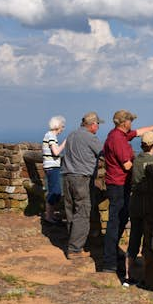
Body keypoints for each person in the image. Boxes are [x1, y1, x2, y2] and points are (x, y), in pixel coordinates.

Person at [101, 109, 153, 273]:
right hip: (118, 184)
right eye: (130, 121)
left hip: (117, 183)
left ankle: (113, 255)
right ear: (125, 122)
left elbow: (138, 133)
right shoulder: (118, 139)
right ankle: (109, 263)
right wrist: (142, 167)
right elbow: (127, 165)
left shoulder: (119, 134)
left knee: (121, 219)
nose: (132, 123)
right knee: (115, 222)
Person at [60, 111, 104, 260]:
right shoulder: (90, 138)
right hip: (82, 178)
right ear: (92, 125)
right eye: (97, 124)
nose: (98, 127)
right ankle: (74, 249)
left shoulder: (72, 134)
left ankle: (71, 240)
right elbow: (104, 153)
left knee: (70, 210)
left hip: (67, 176)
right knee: (83, 212)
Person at [125, 130, 153, 284]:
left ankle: (128, 276)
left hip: (134, 203)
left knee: (134, 237)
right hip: (147, 206)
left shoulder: (136, 160)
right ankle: (148, 277)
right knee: (149, 240)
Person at [42, 115, 66, 225]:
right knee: (55, 192)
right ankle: (49, 217)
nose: (63, 129)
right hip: (52, 167)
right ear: (58, 126)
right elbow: (56, 152)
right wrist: (65, 143)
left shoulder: (49, 135)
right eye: (62, 126)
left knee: (53, 191)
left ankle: (50, 216)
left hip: (50, 167)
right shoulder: (51, 136)